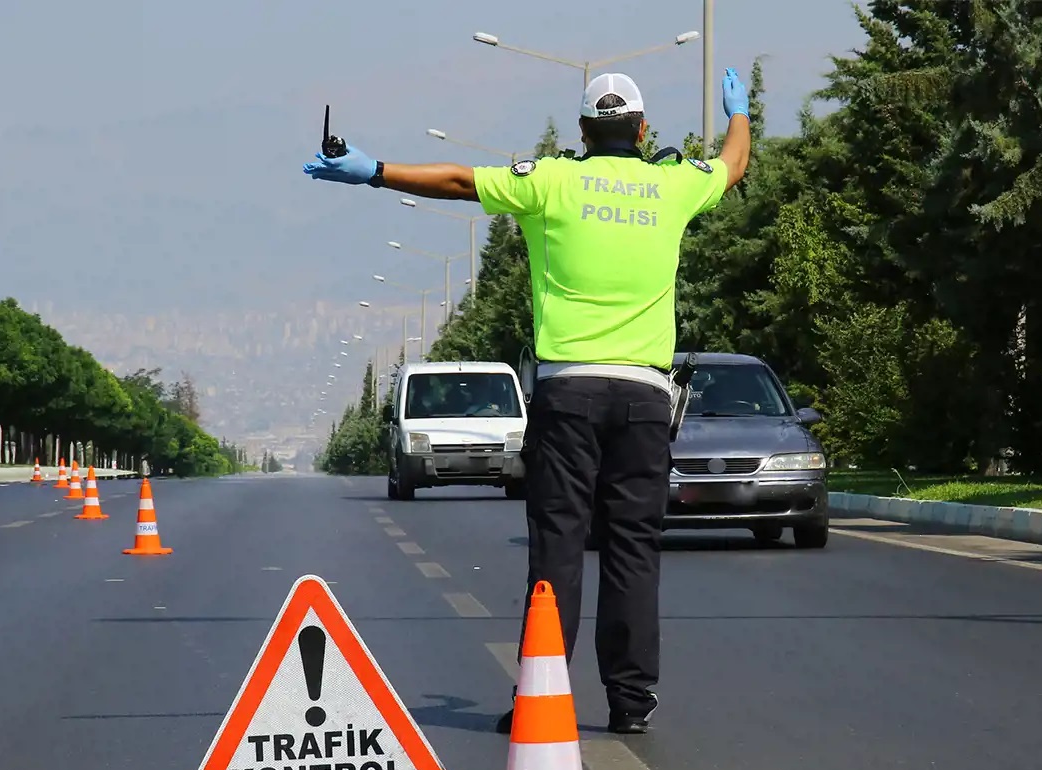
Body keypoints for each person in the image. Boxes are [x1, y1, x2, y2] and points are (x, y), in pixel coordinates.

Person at [304, 67, 752, 734]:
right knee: (633, 549)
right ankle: (630, 703)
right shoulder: (673, 186)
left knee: (559, 547)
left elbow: (458, 182)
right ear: (642, 129)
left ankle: (543, 695)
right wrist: (737, 113)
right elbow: (733, 165)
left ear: (580, 131)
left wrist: (375, 171)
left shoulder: (551, 181)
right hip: (644, 398)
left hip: (568, 394)